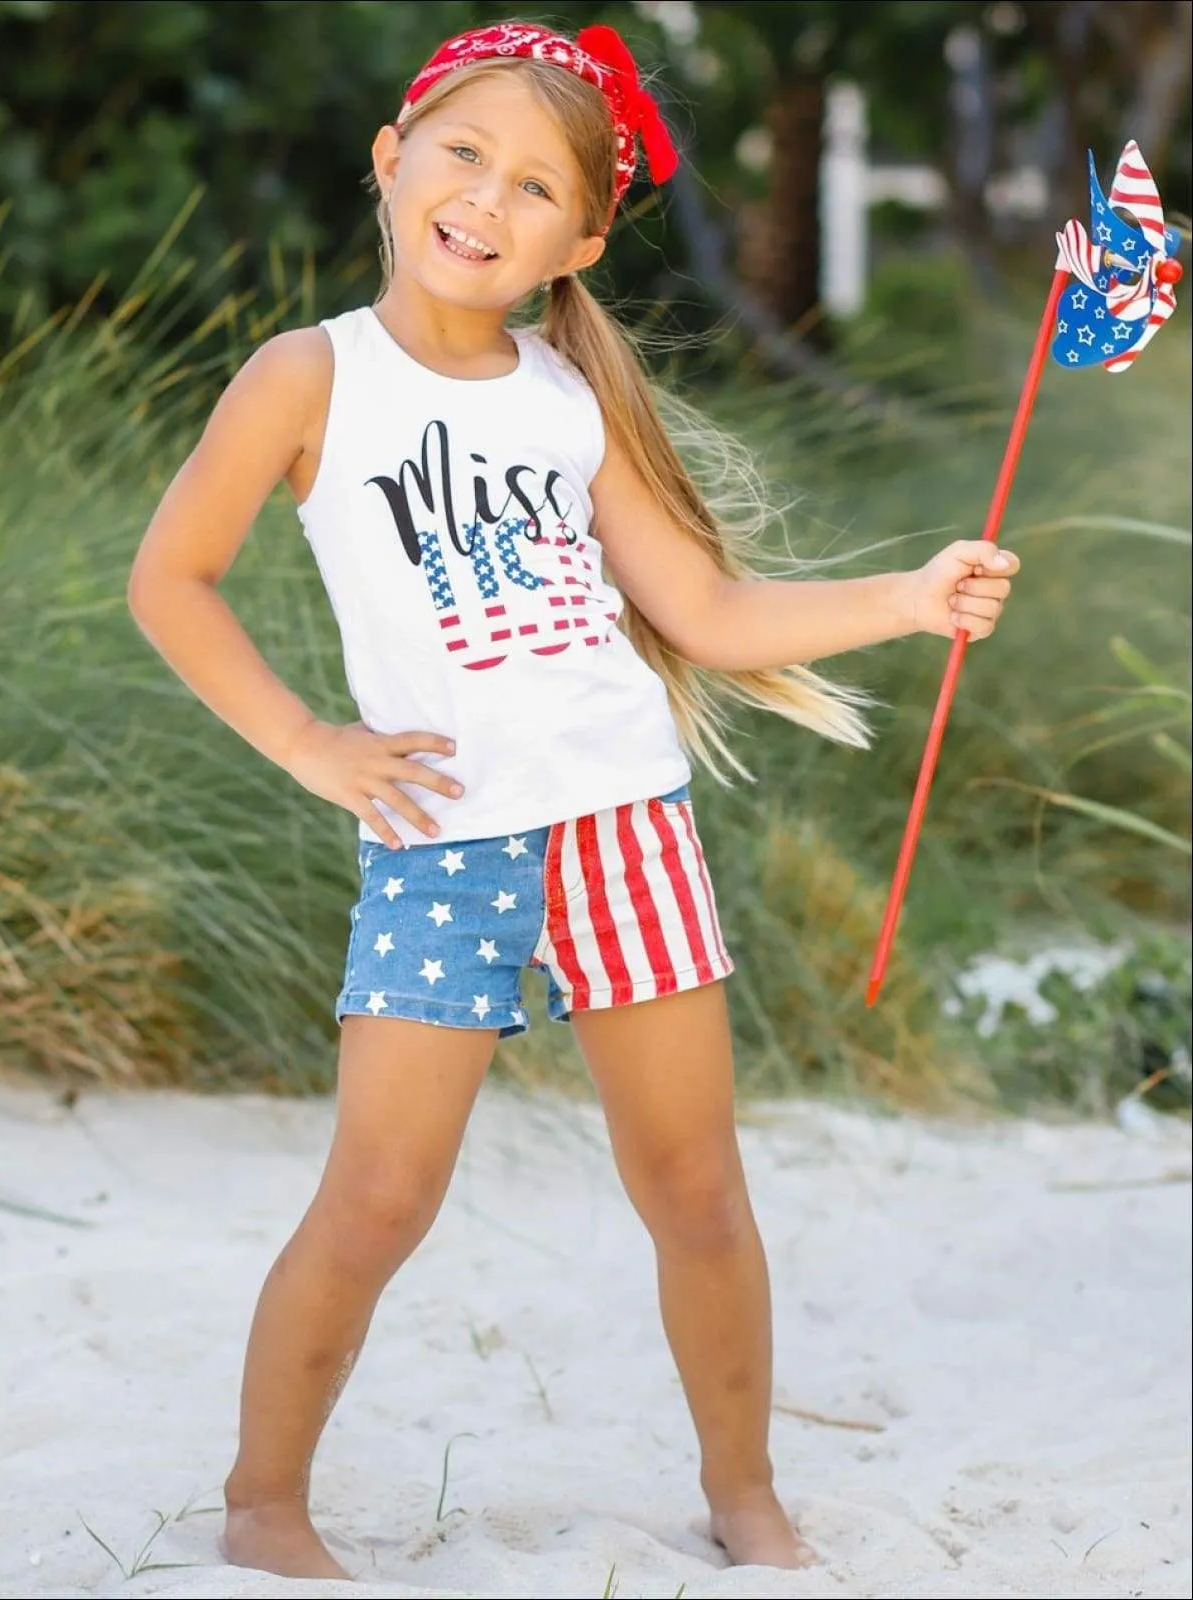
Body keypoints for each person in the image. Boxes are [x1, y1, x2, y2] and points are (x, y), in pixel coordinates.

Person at [127, 19, 1019, 1581]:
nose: (488, 198)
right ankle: (266, 1505)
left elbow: (712, 616)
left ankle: (743, 1494)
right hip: (442, 844)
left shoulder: (568, 398)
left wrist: (913, 594)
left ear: (582, 242)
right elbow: (171, 580)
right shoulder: (308, 375)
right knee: (380, 1199)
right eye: (464, 154)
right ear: (395, 158)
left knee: (696, 1191)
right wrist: (308, 744)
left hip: (625, 831)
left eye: (539, 186)